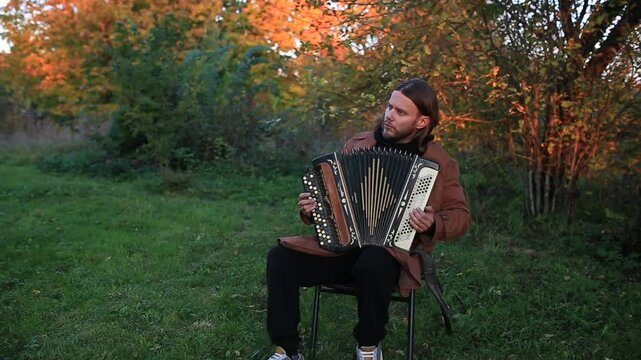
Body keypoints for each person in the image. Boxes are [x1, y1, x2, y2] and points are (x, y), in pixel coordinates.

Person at [266, 78, 471, 360]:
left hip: (394, 258)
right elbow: (334, 202)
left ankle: (368, 347)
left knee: (373, 262)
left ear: (422, 122)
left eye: (401, 112)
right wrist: (312, 210)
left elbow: (461, 216)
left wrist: (434, 224)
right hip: (343, 250)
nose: (389, 115)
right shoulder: (358, 144)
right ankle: (286, 350)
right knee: (280, 258)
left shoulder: (440, 162)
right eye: (390, 107)